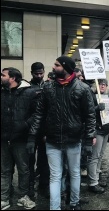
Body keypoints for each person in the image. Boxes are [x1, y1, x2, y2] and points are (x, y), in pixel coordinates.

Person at [27, 56, 96, 210]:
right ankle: (55, 207)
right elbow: (39, 114)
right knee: (55, 176)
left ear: (66, 68)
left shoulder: (82, 88)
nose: (53, 67)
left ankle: (74, 202)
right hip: (52, 141)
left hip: (74, 140)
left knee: (75, 173)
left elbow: (90, 116)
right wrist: (32, 136)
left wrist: (88, 139)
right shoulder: (48, 88)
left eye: (57, 65)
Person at [1, 67, 37, 210]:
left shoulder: (30, 93)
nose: (1, 77)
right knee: (4, 170)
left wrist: (24, 125)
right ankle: (4, 198)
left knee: (24, 169)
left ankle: (23, 197)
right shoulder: (2, 92)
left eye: (3, 75)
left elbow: (36, 114)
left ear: (13, 78)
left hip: (21, 139)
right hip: (3, 139)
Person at [87, 79, 109, 193]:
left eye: (104, 84)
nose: (102, 86)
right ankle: (92, 182)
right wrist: (96, 108)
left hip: (106, 129)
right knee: (95, 156)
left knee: (101, 155)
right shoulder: (92, 97)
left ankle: (97, 178)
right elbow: (88, 113)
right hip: (97, 129)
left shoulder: (108, 97)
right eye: (100, 84)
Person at [29, 62, 50, 198]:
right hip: (30, 129)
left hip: (44, 129)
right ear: (32, 73)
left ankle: (44, 185)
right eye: (36, 73)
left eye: (41, 73)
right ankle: (29, 186)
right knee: (29, 160)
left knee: (44, 160)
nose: (39, 75)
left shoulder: (48, 86)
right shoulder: (26, 87)